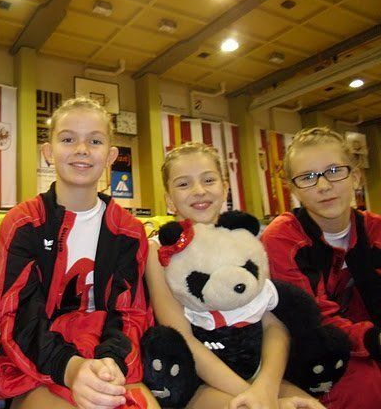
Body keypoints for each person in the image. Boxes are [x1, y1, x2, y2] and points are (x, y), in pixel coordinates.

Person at [0, 97, 158, 409]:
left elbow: (130, 312)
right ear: (48, 152)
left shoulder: (129, 231)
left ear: (111, 156)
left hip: (108, 357)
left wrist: (111, 362)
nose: (82, 149)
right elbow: (17, 314)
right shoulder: (24, 223)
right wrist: (69, 367)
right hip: (37, 361)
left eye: (95, 141)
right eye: (68, 139)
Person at [145, 142, 325, 409]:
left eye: (208, 180)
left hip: (256, 371)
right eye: (184, 184)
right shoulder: (159, 251)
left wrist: (266, 387)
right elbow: (181, 336)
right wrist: (255, 397)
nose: (199, 190)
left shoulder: (244, 241)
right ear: (169, 200)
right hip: (199, 380)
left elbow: (272, 322)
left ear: (225, 188)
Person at [261, 127, 381, 409]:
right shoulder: (282, 238)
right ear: (293, 189)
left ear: (355, 176)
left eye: (334, 171)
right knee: (366, 385)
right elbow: (311, 316)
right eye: (307, 177)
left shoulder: (375, 229)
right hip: (314, 350)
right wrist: (372, 339)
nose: (323, 185)